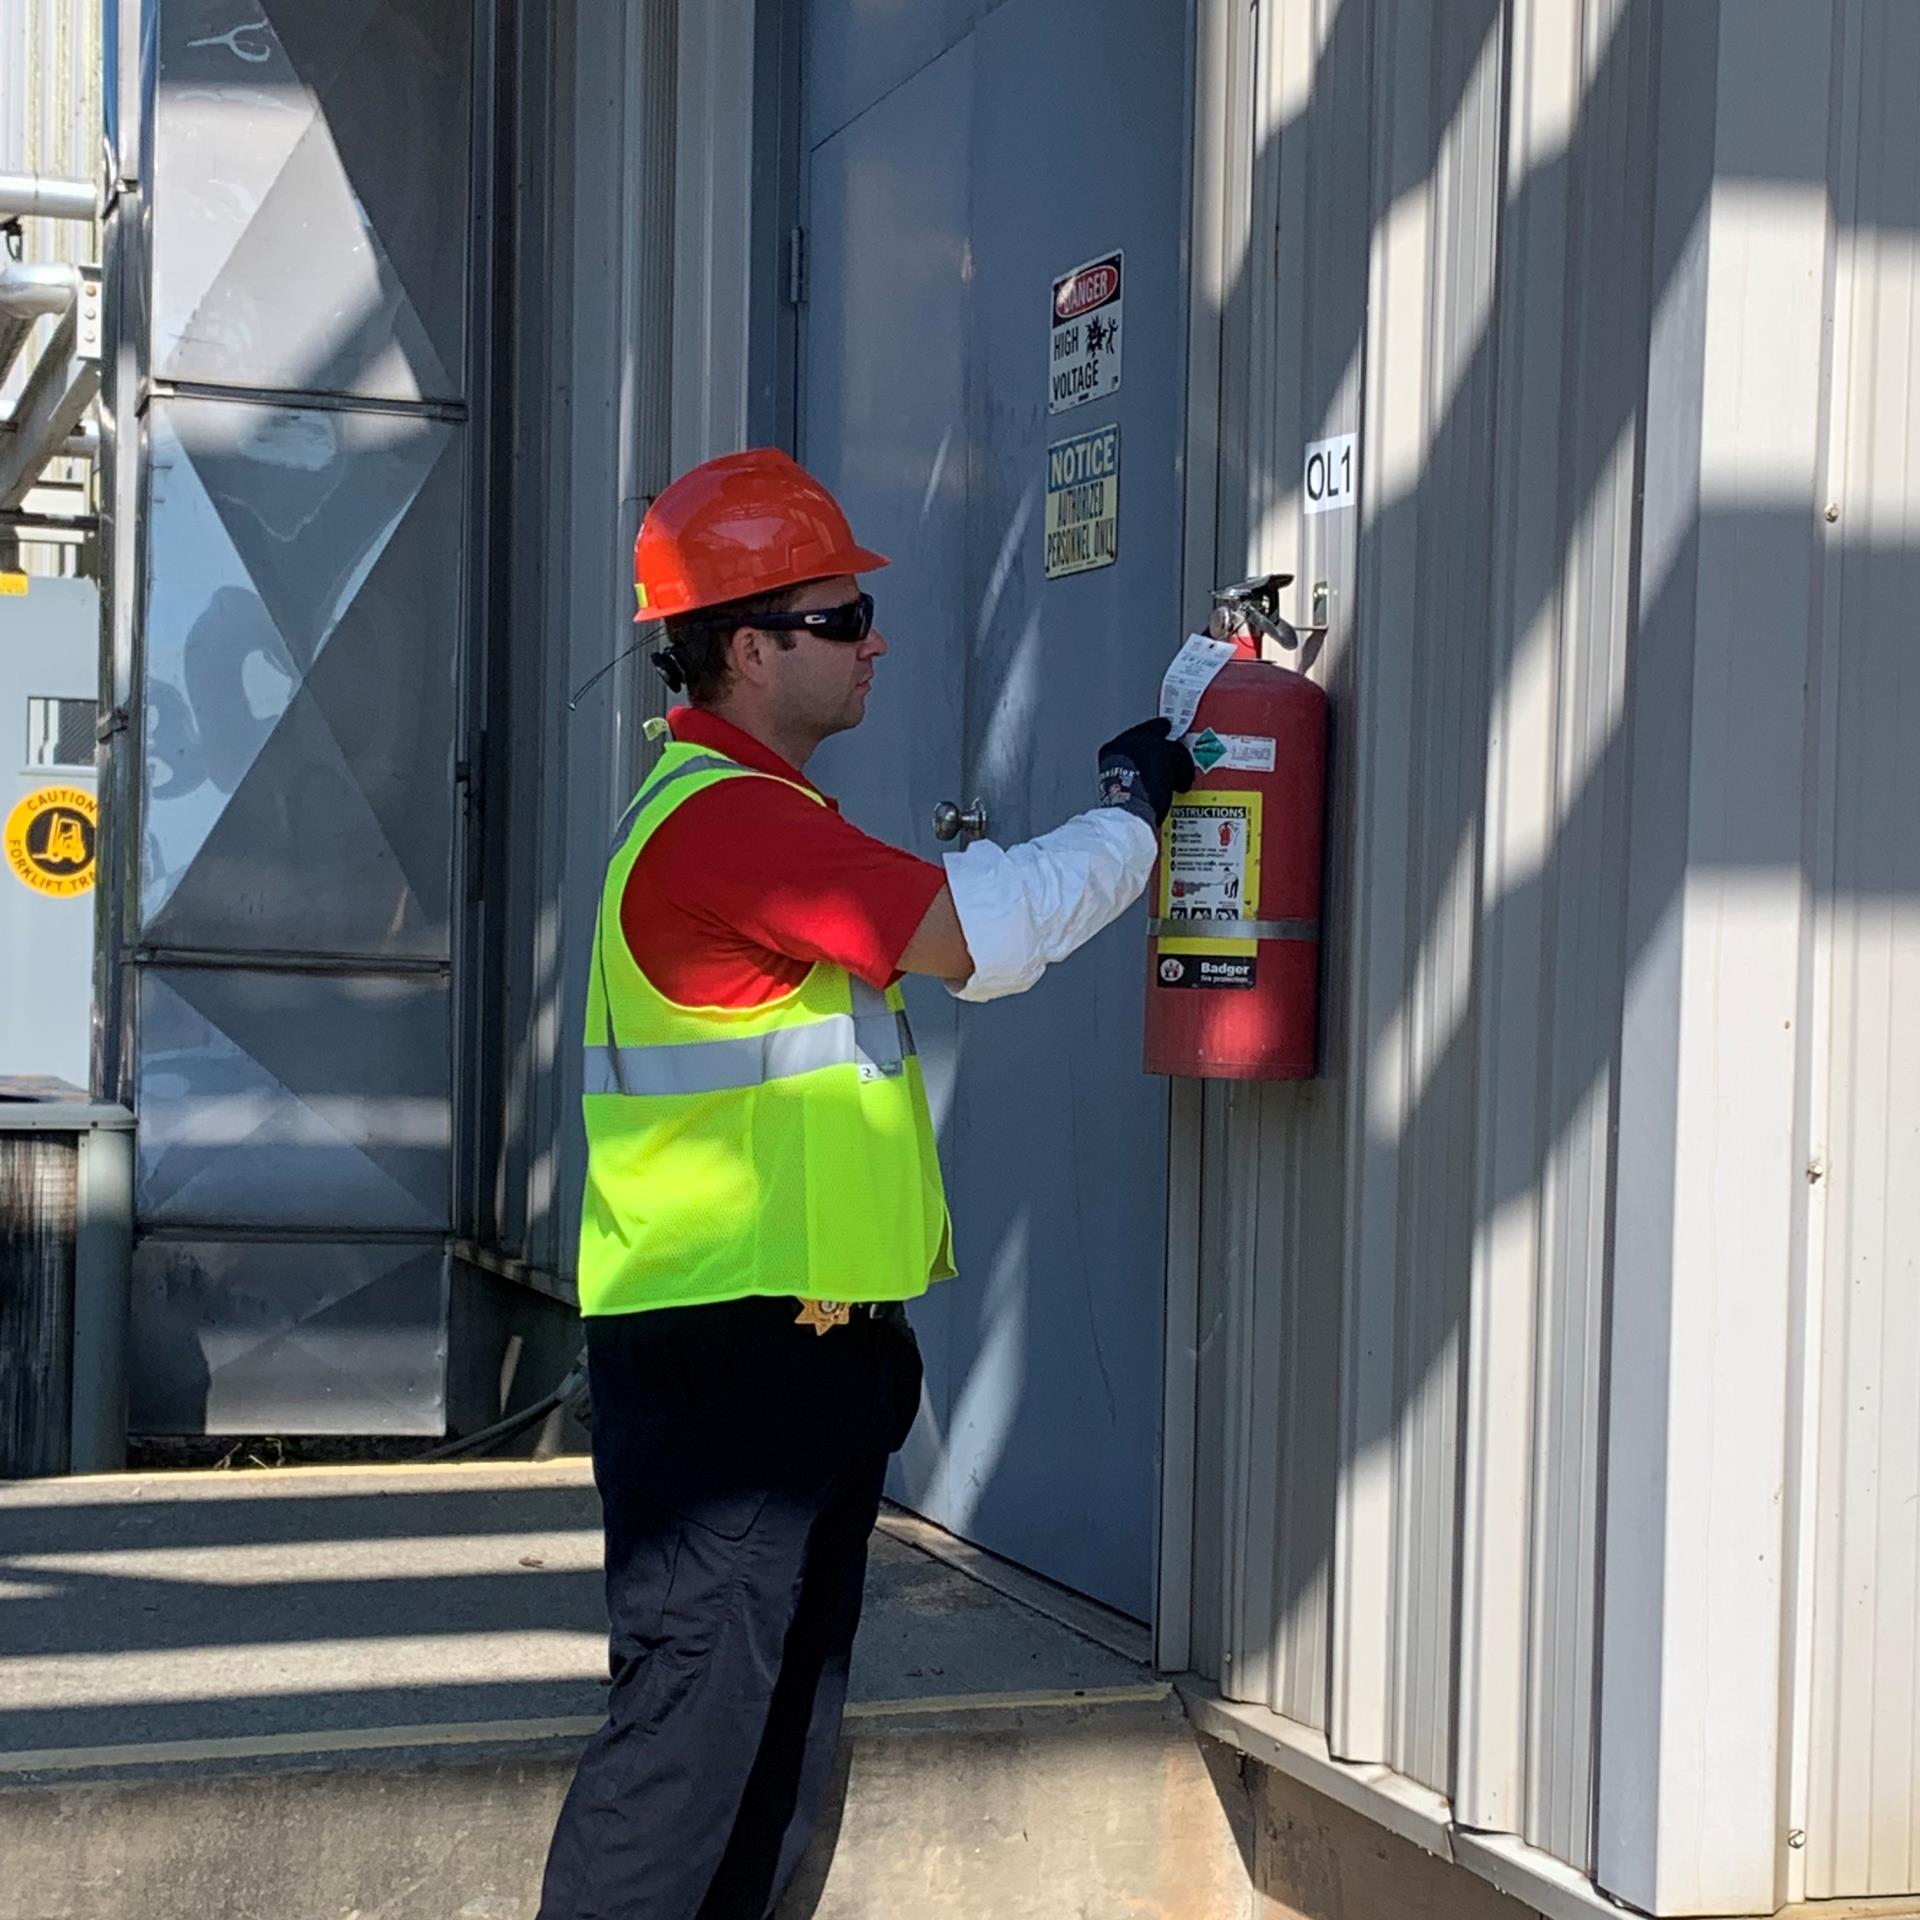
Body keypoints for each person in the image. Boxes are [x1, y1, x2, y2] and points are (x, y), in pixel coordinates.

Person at [537, 448, 1194, 1920]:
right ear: (749, 646)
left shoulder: (759, 818)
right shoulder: (727, 824)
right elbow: (982, 939)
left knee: (770, 1763)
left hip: (784, 1357)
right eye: (841, 620)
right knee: (691, 1755)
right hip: (733, 1368)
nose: (873, 642)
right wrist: (1135, 813)